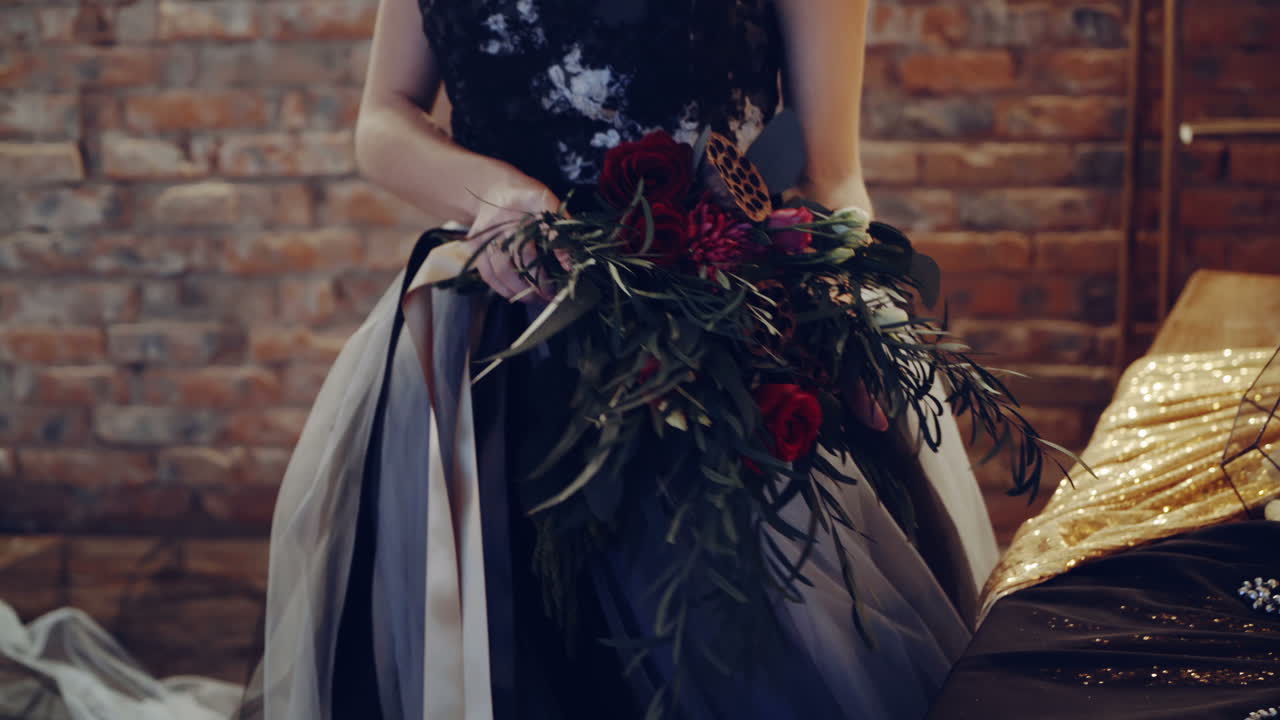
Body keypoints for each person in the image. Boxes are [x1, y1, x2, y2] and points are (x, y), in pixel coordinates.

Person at [238, 1, 1000, 718]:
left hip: (721, 337)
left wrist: (837, 317)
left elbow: (828, 167)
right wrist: (497, 193)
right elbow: (382, 118)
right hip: (503, 348)